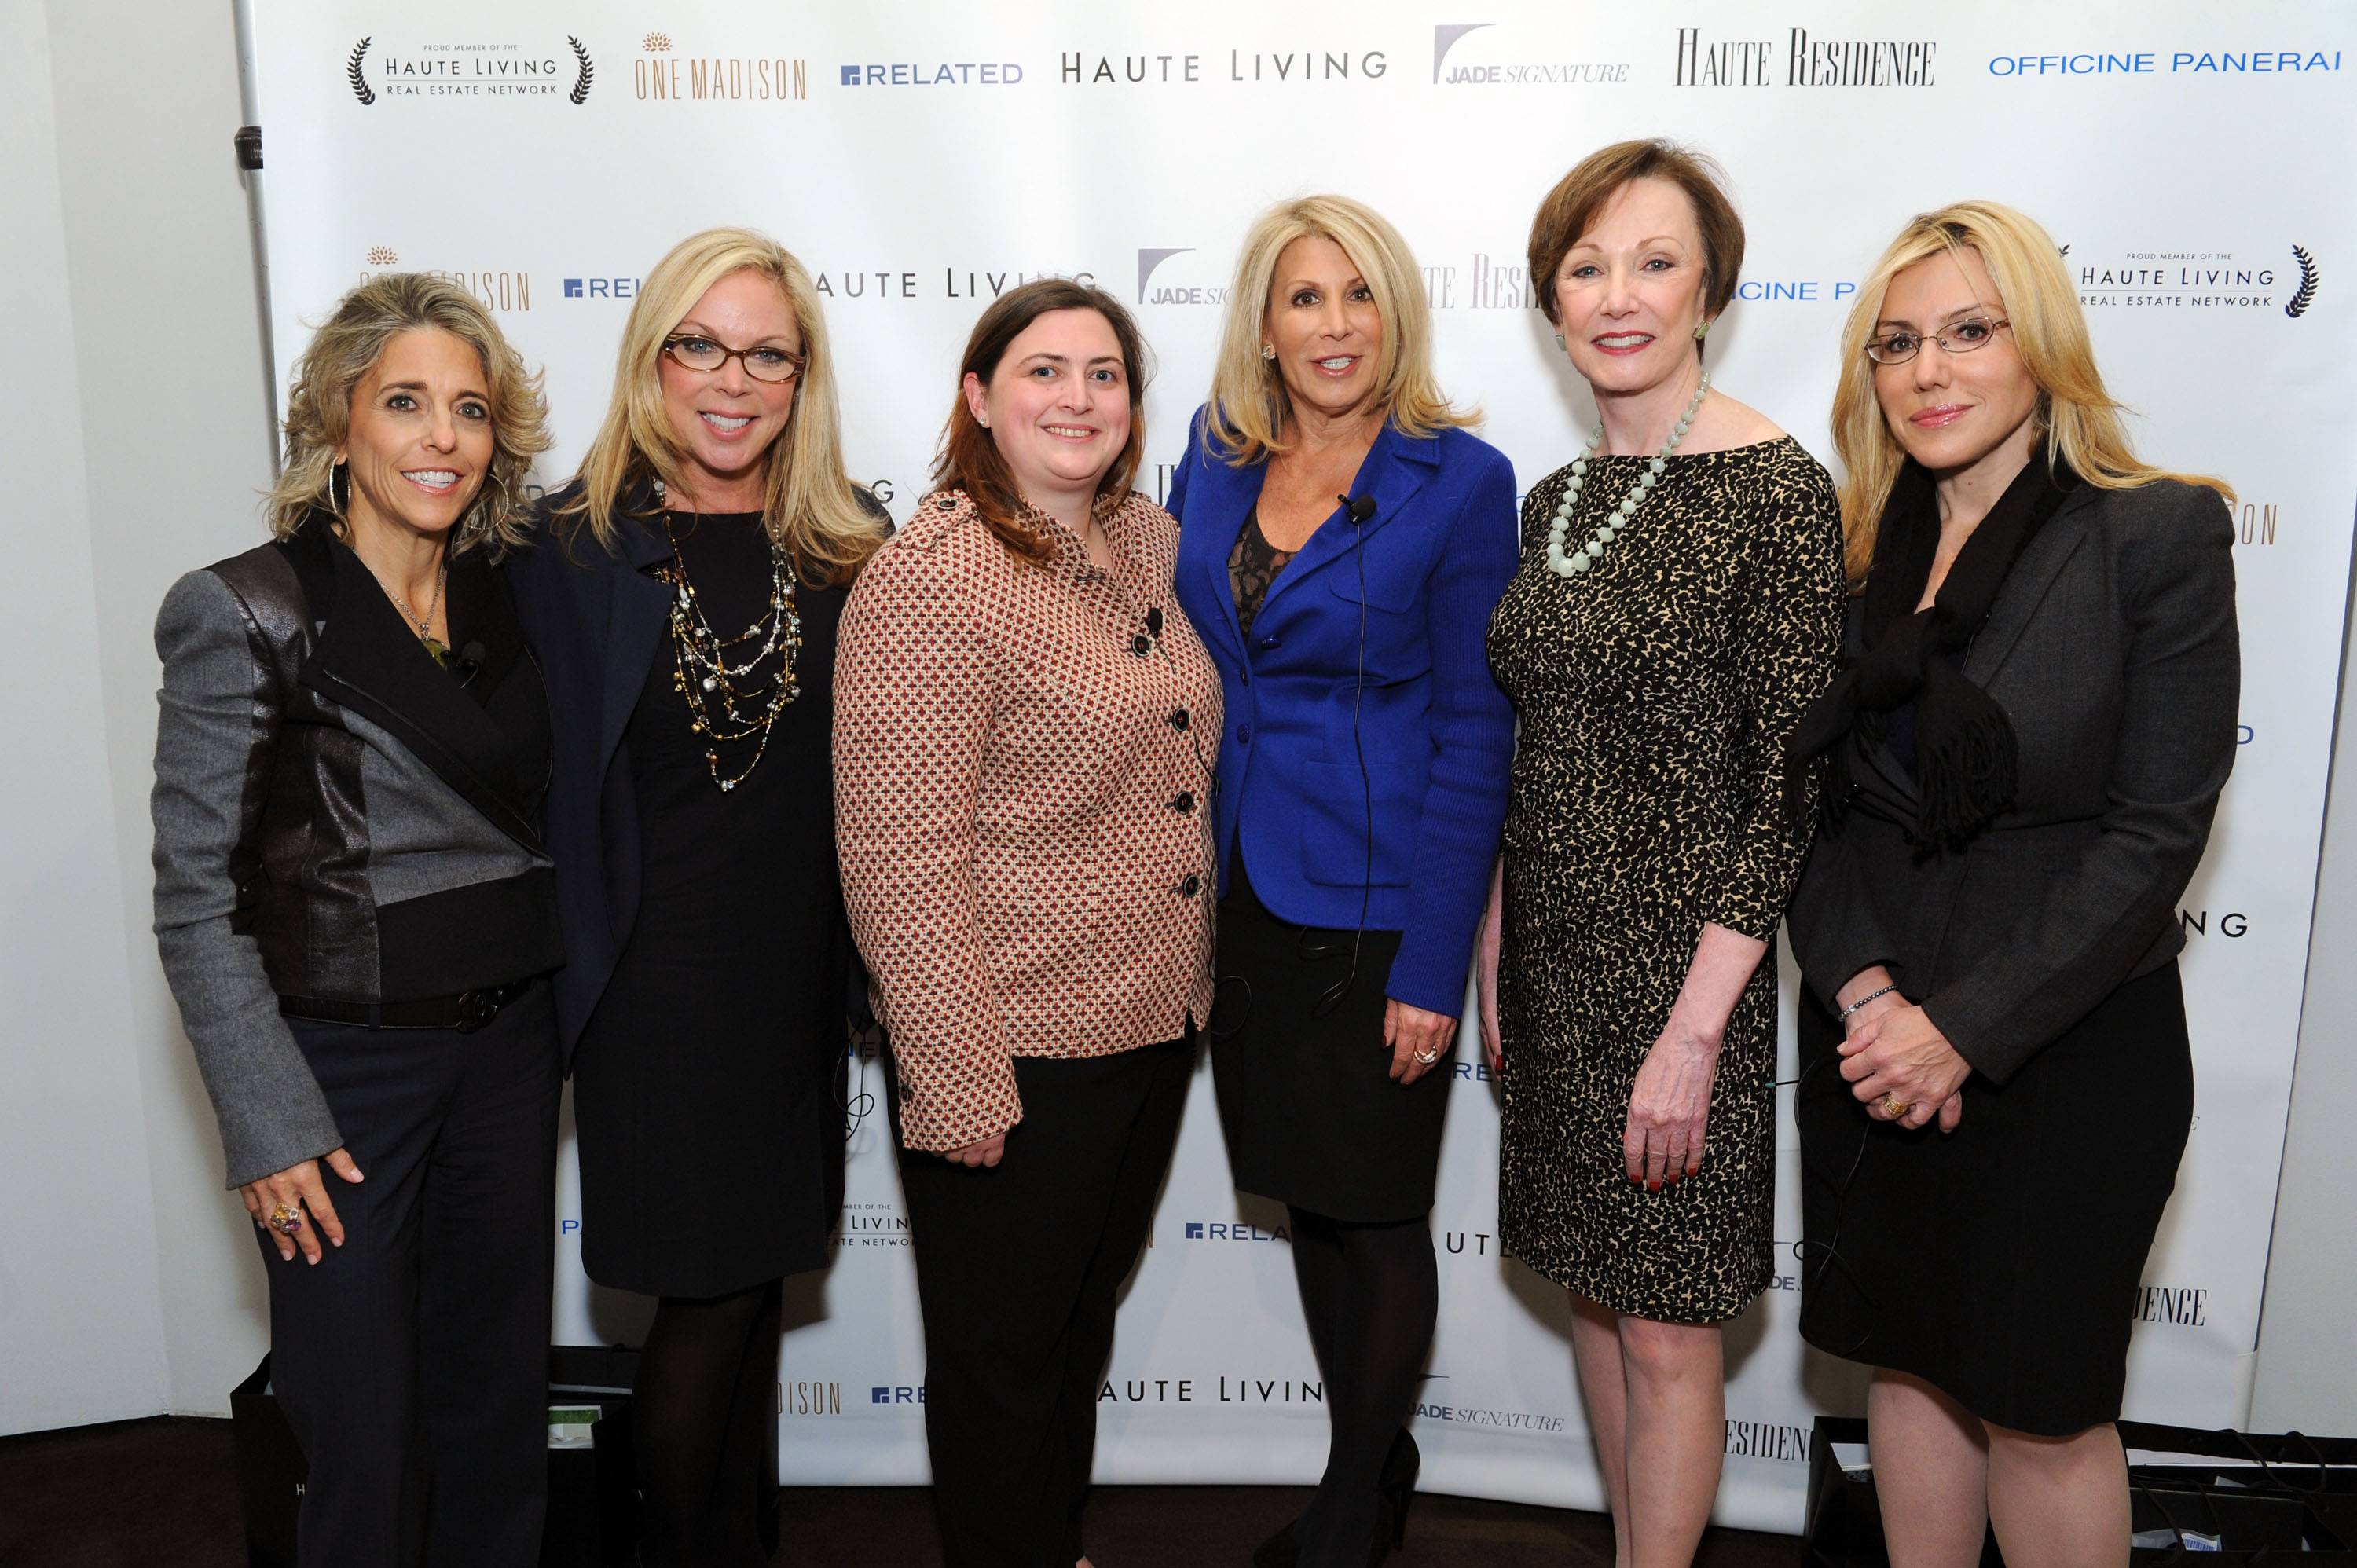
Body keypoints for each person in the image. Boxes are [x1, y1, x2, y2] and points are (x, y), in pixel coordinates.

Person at [1783, 200, 2238, 1568]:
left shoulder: (2153, 535)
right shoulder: (1857, 555)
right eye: (1898, 342)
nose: (1929, 371)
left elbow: (2155, 835)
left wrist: (1960, 1031)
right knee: (1910, 1368)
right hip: (1872, 1045)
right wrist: (1871, 999)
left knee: (2042, 1412)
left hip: (2064, 1057)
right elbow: (1808, 809)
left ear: (2039, 347)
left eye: (1970, 333)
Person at [152, 273, 560, 1566]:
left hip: (509, 1049)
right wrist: (268, 1121)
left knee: (495, 1416)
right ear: (339, 424)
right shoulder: (249, 608)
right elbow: (193, 898)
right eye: (404, 403)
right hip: (341, 1076)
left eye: (470, 410)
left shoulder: (514, 594)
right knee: (362, 1436)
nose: (442, 437)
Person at [1478, 140, 1846, 1566]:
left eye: (1653, 262)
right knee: (1594, 1294)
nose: (1617, 296)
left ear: (1710, 289)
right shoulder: (1555, 504)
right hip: (1554, 965)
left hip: (1689, 980)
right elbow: (1536, 741)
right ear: (1552, 301)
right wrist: (1496, 939)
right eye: (1586, 268)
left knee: (1669, 1334)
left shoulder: (1776, 491)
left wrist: (1697, 1035)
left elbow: (1786, 794)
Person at [507, 228, 887, 1567]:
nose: (734, 380)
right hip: (650, 990)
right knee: (707, 1300)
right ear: (652, 356)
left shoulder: (847, 546)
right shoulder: (563, 551)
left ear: (803, 376)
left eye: (768, 355)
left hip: (796, 983)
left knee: (752, 1288)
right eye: (702, 347)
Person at [834, 278, 1218, 1568]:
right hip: (1013, 1043)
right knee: (1001, 1360)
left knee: (1072, 1328)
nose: (1078, 398)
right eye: (1044, 371)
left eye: (1104, 375)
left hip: (1146, 1024)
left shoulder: (1144, 540)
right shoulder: (933, 577)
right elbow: (899, 858)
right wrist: (954, 1076)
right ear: (979, 397)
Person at [1164, 194, 1518, 1568]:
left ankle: (1353, 1510)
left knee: (1375, 1213)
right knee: (1309, 1197)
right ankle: (1370, 1465)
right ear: (1265, 322)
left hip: (1380, 908)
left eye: (1360, 294)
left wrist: (1434, 965)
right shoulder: (1213, 456)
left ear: (1397, 314)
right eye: (1305, 297)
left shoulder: (1460, 479)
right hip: (1238, 895)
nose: (1334, 325)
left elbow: (1476, 729)